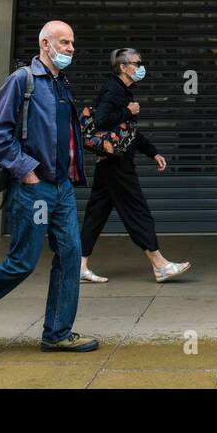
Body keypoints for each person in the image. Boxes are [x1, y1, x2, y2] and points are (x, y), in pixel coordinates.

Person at [0, 21, 98, 352]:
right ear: (45, 44)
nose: (71, 49)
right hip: (35, 189)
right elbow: (1, 134)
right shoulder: (22, 81)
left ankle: (56, 333)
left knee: (71, 255)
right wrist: (27, 172)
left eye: (72, 43)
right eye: (64, 42)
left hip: (61, 188)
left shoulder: (61, 84)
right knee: (23, 261)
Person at [80, 47, 191, 284]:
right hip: (117, 165)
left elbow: (129, 134)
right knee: (137, 212)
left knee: (96, 215)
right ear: (123, 67)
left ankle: (79, 265)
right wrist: (126, 111)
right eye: (137, 63)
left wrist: (153, 152)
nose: (141, 68)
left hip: (110, 164)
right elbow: (102, 121)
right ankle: (159, 264)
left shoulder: (123, 90)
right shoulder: (113, 90)